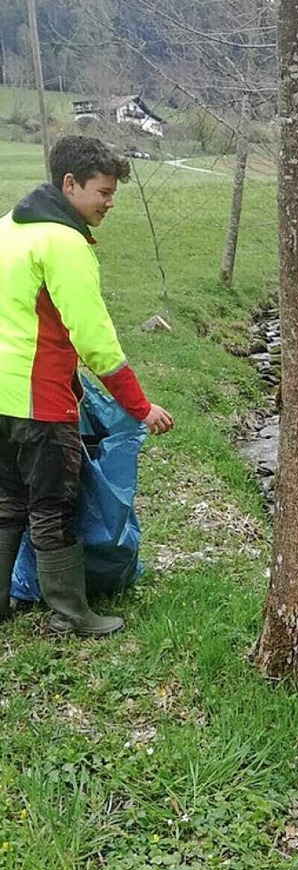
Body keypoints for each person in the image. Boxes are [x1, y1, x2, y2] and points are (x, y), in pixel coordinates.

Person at [0, 135, 174, 637]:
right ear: (69, 184)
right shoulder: (64, 242)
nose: (110, 202)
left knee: (7, 501)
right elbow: (96, 342)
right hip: (41, 401)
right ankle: (70, 615)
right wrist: (140, 408)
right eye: (103, 191)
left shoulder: (10, 228)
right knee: (54, 506)